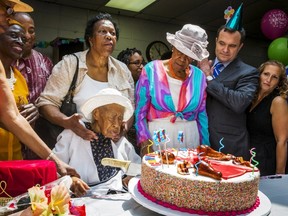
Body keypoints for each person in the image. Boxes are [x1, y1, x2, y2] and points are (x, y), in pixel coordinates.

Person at [0, 0, 78, 176]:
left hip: (15, 162)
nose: (8, 14)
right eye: (6, 9)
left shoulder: (18, 76)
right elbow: (11, 117)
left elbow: (12, 117)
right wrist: (55, 160)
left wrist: (53, 160)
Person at [36, 13, 134, 148]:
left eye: (113, 33)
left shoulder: (123, 70)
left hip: (114, 145)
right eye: (102, 31)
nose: (109, 36)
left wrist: (124, 127)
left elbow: (130, 107)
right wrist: (67, 122)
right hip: (77, 142)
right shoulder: (70, 64)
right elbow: (46, 103)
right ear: (91, 39)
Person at [135, 24, 210, 157]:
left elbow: (202, 115)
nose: (182, 59)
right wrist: (144, 140)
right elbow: (140, 112)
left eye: (188, 56)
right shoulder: (151, 70)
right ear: (173, 47)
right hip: (158, 139)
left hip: (190, 139)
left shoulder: (199, 77)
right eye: (180, 52)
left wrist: (205, 145)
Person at [53, 88, 141, 197]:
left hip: (117, 197)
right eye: (112, 117)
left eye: (120, 118)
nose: (116, 124)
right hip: (83, 200)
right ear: (96, 114)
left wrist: (130, 177)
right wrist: (71, 180)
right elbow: (54, 168)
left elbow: (137, 167)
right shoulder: (75, 133)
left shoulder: (119, 140)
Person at [198, 4, 258, 160]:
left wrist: (208, 77)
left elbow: (239, 103)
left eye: (232, 46)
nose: (225, 50)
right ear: (216, 41)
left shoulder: (248, 72)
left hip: (230, 145)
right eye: (222, 43)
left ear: (240, 47)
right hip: (199, 141)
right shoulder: (200, 67)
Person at [11, 12, 53, 159]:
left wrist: (39, 108)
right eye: (21, 30)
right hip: (7, 142)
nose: (27, 36)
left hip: (38, 144)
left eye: (31, 30)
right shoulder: (4, 61)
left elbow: (54, 99)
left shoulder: (45, 63)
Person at [247, 60, 288, 176]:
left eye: (274, 77)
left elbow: (282, 141)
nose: (268, 80)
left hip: (266, 161)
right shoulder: (251, 96)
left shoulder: (278, 102)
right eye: (266, 74)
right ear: (259, 75)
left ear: (279, 82)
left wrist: (279, 174)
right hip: (249, 157)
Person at [117, 47, 145, 154]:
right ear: (124, 66)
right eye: (136, 63)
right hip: (125, 134)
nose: (141, 66)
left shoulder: (144, 85)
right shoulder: (119, 87)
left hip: (141, 134)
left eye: (142, 63)